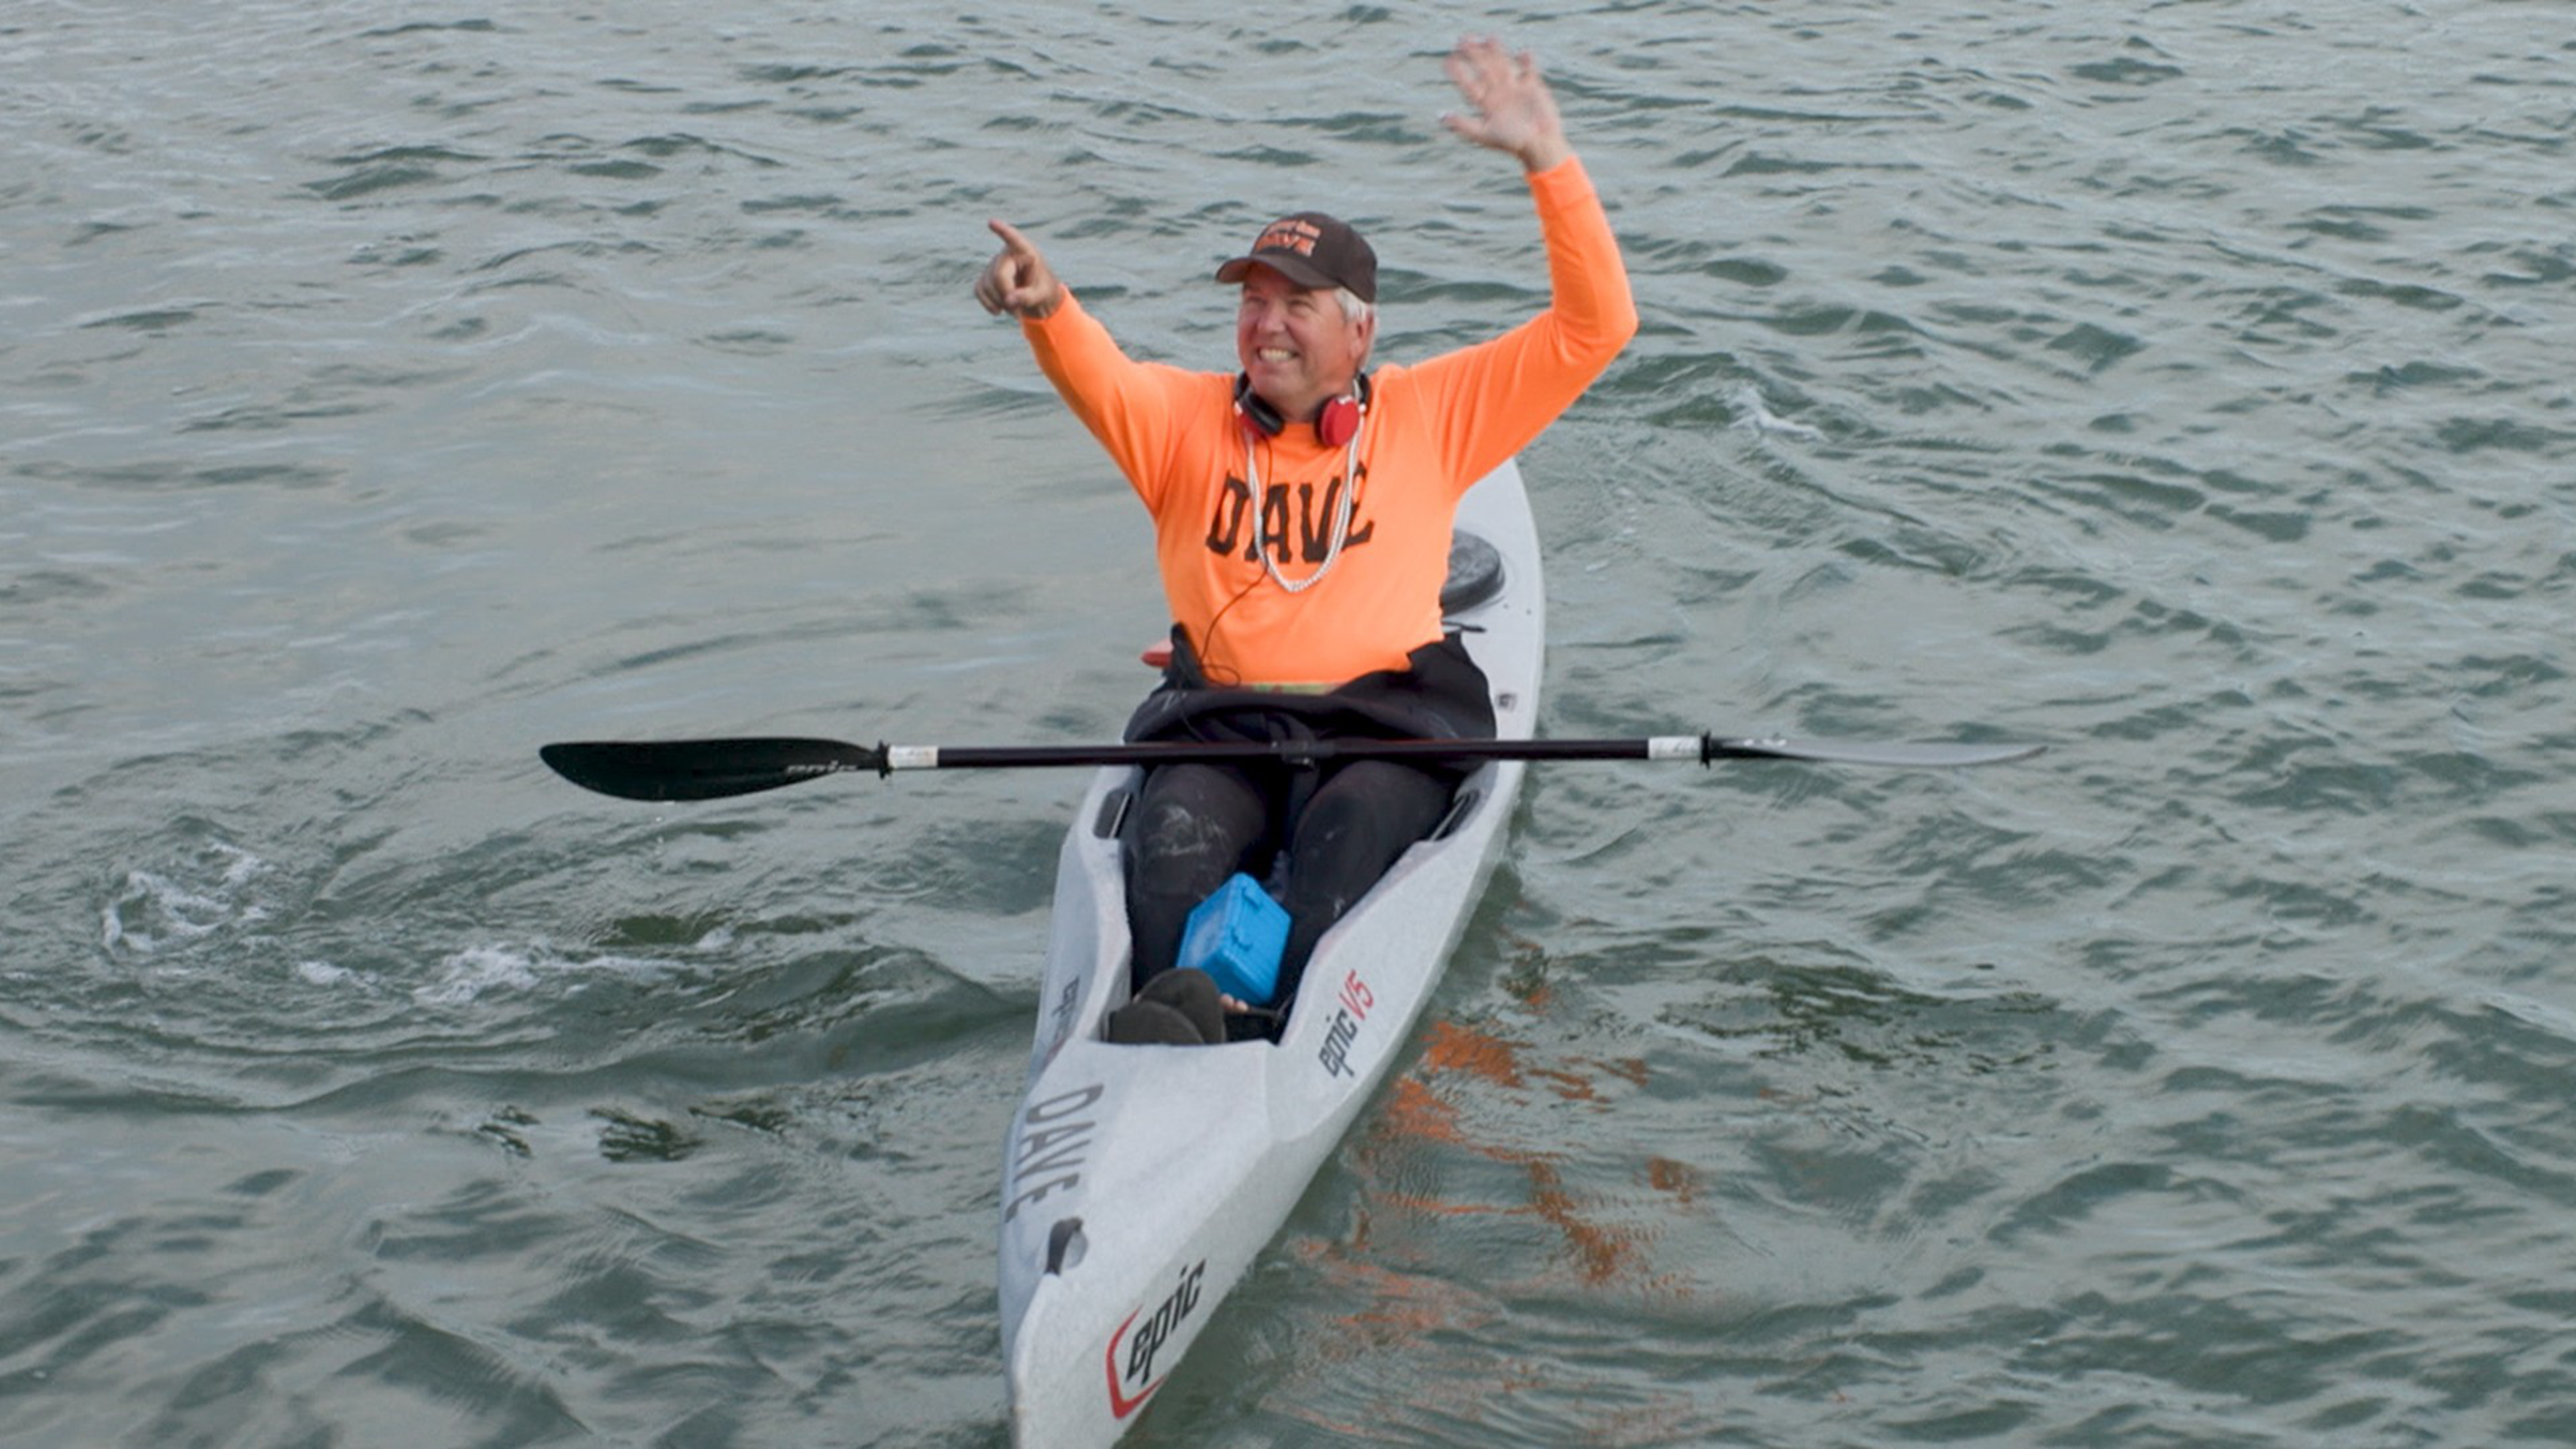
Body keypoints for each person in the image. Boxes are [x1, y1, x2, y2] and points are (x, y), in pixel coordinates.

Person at [975, 36, 1636, 1044]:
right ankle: (1175, 1018)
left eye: (1297, 304)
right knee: (1172, 844)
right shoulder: (1180, 421)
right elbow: (1093, 363)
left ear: (1360, 333)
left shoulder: (1432, 416)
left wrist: (1550, 164)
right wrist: (1045, 305)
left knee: (1345, 836)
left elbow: (1596, 328)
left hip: (1386, 725)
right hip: (1223, 723)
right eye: (1251, 301)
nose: (1267, 325)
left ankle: (1271, 1022)